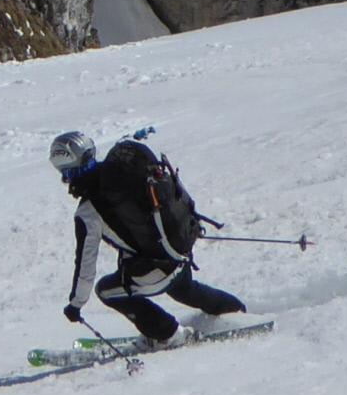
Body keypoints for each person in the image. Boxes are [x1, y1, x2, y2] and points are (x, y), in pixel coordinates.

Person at [50, 129, 245, 347]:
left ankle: (168, 334)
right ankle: (237, 310)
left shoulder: (88, 211)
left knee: (106, 291)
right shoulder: (124, 172)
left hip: (157, 265)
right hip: (178, 247)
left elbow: (85, 267)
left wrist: (76, 305)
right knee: (184, 288)